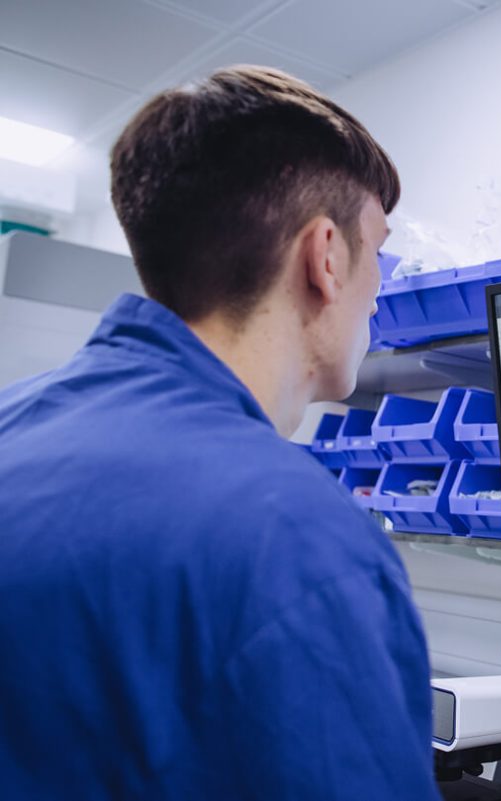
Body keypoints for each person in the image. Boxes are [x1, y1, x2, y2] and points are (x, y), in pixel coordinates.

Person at [0, 66, 439, 799]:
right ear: (326, 257)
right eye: (379, 250)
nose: (379, 286)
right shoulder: (296, 538)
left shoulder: (14, 424)